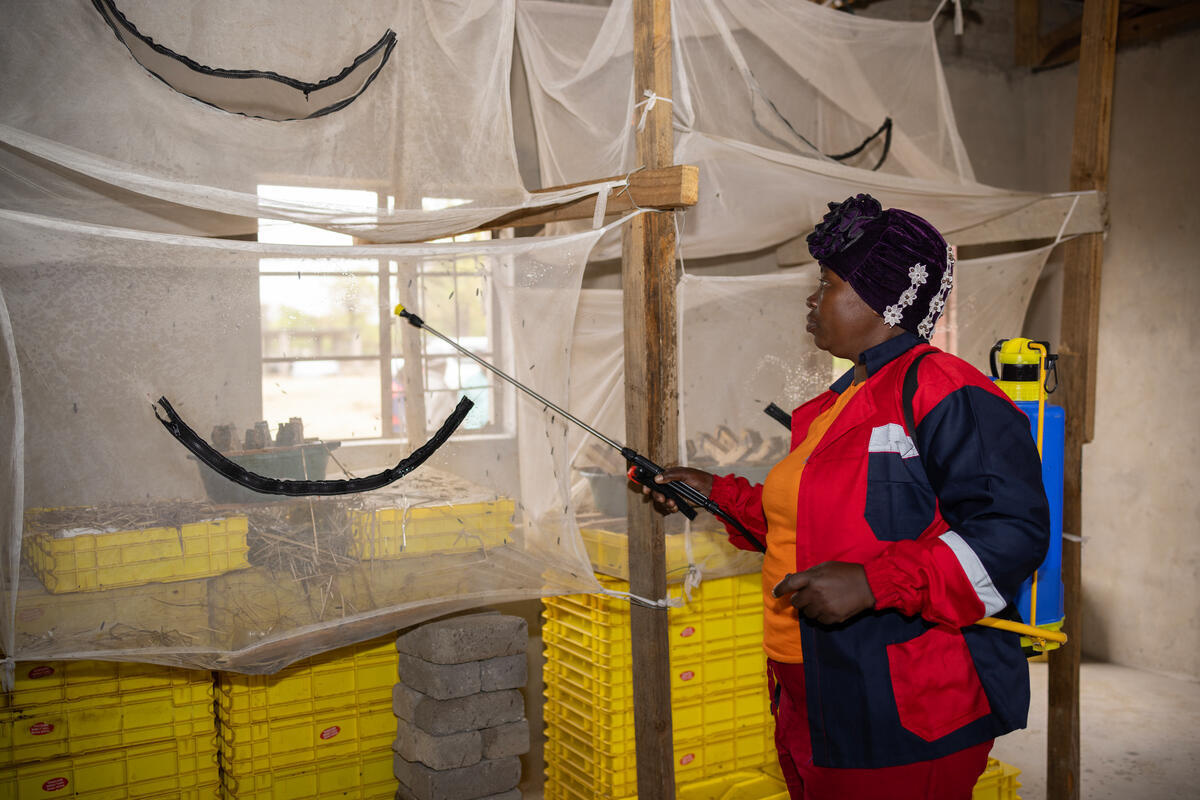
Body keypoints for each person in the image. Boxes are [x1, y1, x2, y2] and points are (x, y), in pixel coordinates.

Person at [644, 194, 1050, 800]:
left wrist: (874, 584)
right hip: (812, 682)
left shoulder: (945, 391)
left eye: (828, 283)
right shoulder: (839, 403)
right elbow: (811, 525)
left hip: (902, 701)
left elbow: (1011, 532)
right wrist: (713, 494)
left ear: (885, 302)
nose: (812, 299)